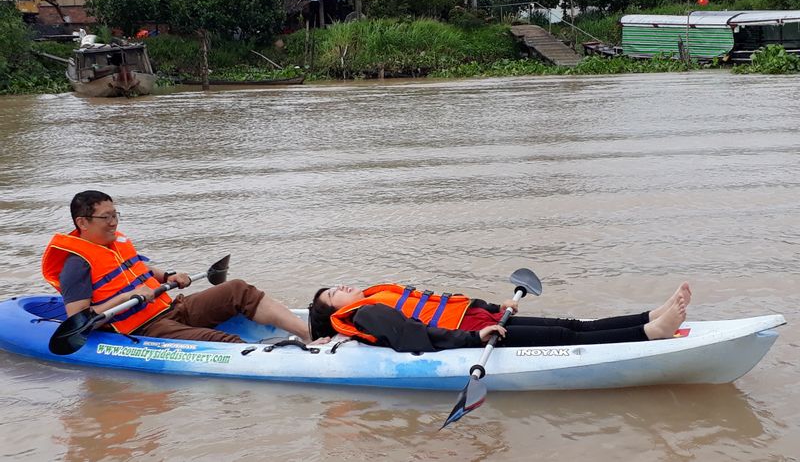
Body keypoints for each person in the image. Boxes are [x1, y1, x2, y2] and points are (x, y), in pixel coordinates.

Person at [42, 190, 311, 343]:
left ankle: (309, 335)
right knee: (222, 341)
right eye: (106, 217)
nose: (114, 223)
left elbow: (140, 270)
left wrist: (169, 275)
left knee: (238, 289)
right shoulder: (76, 265)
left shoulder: (115, 244)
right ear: (83, 222)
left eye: (115, 215)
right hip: (143, 329)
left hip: (169, 308)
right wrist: (127, 297)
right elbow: (77, 318)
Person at [308, 282, 691, 352]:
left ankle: (649, 316)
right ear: (336, 311)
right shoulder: (366, 314)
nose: (340, 286)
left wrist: (495, 308)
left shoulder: (376, 294)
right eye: (332, 293)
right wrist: (477, 339)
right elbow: (416, 336)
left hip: (480, 320)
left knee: (572, 326)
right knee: (566, 337)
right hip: (474, 336)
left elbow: (443, 301)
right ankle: (649, 334)